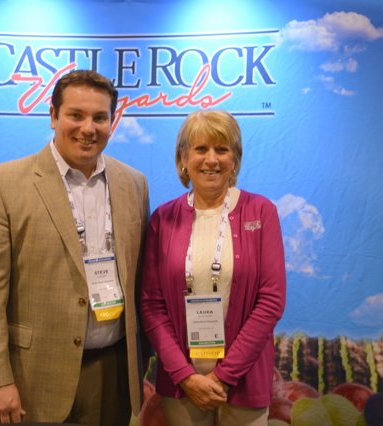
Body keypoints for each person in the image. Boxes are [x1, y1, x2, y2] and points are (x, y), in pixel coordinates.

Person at [0, 70, 150, 425]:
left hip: (113, 373)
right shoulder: (2, 184)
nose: (88, 128)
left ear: (112, 121)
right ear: (53, 116)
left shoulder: (134, 184)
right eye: (76, 115)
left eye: (99, 117)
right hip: (33, 377)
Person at [141, 110, 286, 426]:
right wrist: (185, 376)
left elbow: (271, 301)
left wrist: (224, 376)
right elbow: (152, 305)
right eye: (201, 149)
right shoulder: (163, 219)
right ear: (184, 158)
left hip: (244, 381)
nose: (211, 159)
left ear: (235, 158)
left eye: (222, 149)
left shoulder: (261, 212)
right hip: (182, 386)